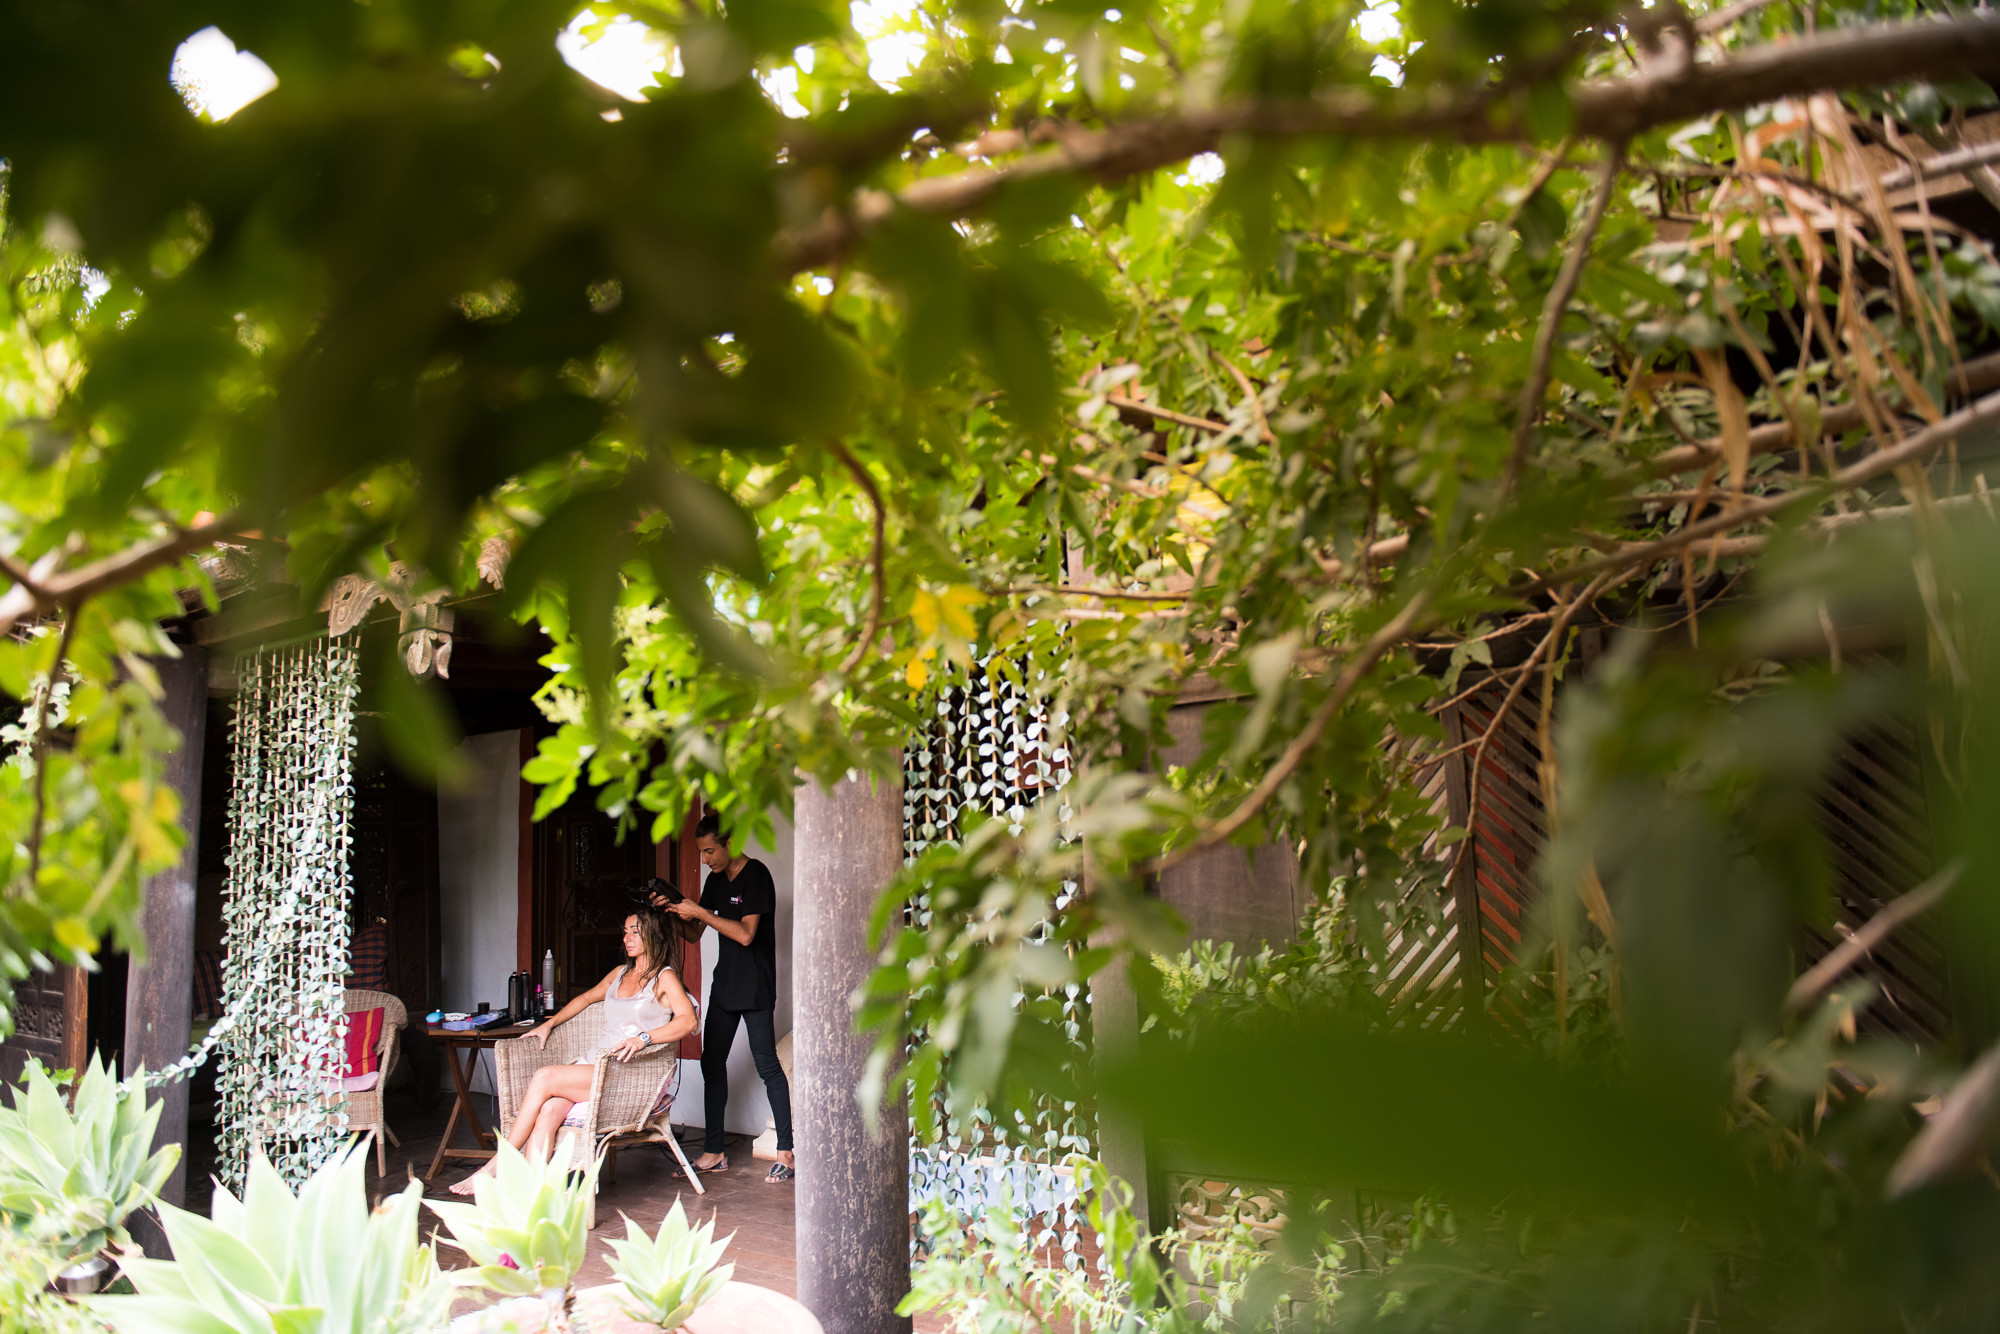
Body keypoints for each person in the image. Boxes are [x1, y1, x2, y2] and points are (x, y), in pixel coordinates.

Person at [448, 905, 696, 1194]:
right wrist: (549, 1025)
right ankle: (533, 1199)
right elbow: (586, 999)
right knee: (549, 1110)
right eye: (625, 931)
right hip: (595, 1066)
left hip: (625, 1072)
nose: (627, 938)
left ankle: (497, 1165)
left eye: (635, 932)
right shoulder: (620, 973)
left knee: (544, 1077)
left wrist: (644, 1038)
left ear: (653, 935)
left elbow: (688, 1019)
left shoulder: (663, 977)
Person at [666, 812, 794, 1183]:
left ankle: (786, 1152)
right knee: (711, 1063)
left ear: (730, 844)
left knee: (767, 1064)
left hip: (754, 985)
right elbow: (693, 934)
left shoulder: (757, 876)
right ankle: (714, 1151)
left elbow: (745, 934)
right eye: (701, 853)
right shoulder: (715, 881)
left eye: (709, 851)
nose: (705, 859)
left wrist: (700, 910)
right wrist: (675, 910)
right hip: (725, 986)